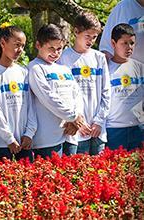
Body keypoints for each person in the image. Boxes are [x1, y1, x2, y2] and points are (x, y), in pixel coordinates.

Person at [27, 24, 85, 158]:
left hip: (70, 133)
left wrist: (77, 117)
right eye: (51, 48)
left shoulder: (64, 69)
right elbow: (48, 97)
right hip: (47, 138)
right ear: (38, 45)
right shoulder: (35, 68)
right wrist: (73, 117)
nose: (55, 53)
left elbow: (77, 94)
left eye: (59, 49)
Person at [58, 11, 111, 155]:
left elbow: (106, 92)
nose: (91, 41)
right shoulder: (63, 58)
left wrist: (99, 121)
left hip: (98, 130)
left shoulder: (99, 58)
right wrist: (76, 120)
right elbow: (62, 94)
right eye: (87, 36)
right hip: (75, 130)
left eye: (94, 37)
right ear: (76, 31)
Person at [0, 25, 36, 162]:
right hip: (1, 143)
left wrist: (29, 133)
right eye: (16, 45)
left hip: (24, 141)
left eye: (23, 46)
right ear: (3, 43)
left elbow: (30, 106)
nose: (20, 50)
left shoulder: (23, 72)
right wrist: (9, 139)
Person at [106, 23, 144, 150]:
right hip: (114, 130)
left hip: (138, 129)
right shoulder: (105, 68)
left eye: (132, 43)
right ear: (113, 43)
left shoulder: (140, 68)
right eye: (124, 43)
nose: (129, 47)